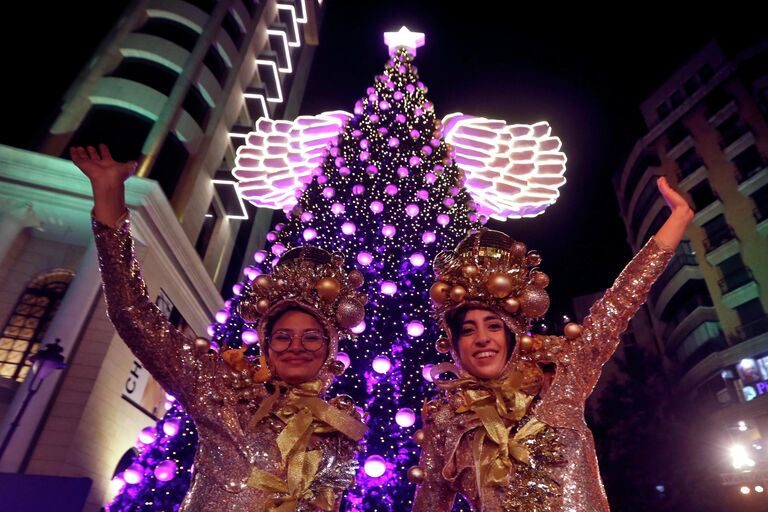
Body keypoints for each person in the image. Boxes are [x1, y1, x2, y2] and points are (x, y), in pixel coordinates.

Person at [71, 144, 368, 511]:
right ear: (266, 345)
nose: (296, 346)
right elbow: (132, 313)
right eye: (282, 336)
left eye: (311, 337)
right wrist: (109, 193)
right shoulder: (220, 391)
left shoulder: (340, 427)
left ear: (329, 348)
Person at [411, 177, 693, 511]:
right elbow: (429, 504)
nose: (483, 338)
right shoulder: (447, 421)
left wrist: (678, 218)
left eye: (493, 326)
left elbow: (619, 303)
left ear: (512, 335)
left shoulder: (561, 379)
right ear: (455, 346)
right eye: (469, 330)